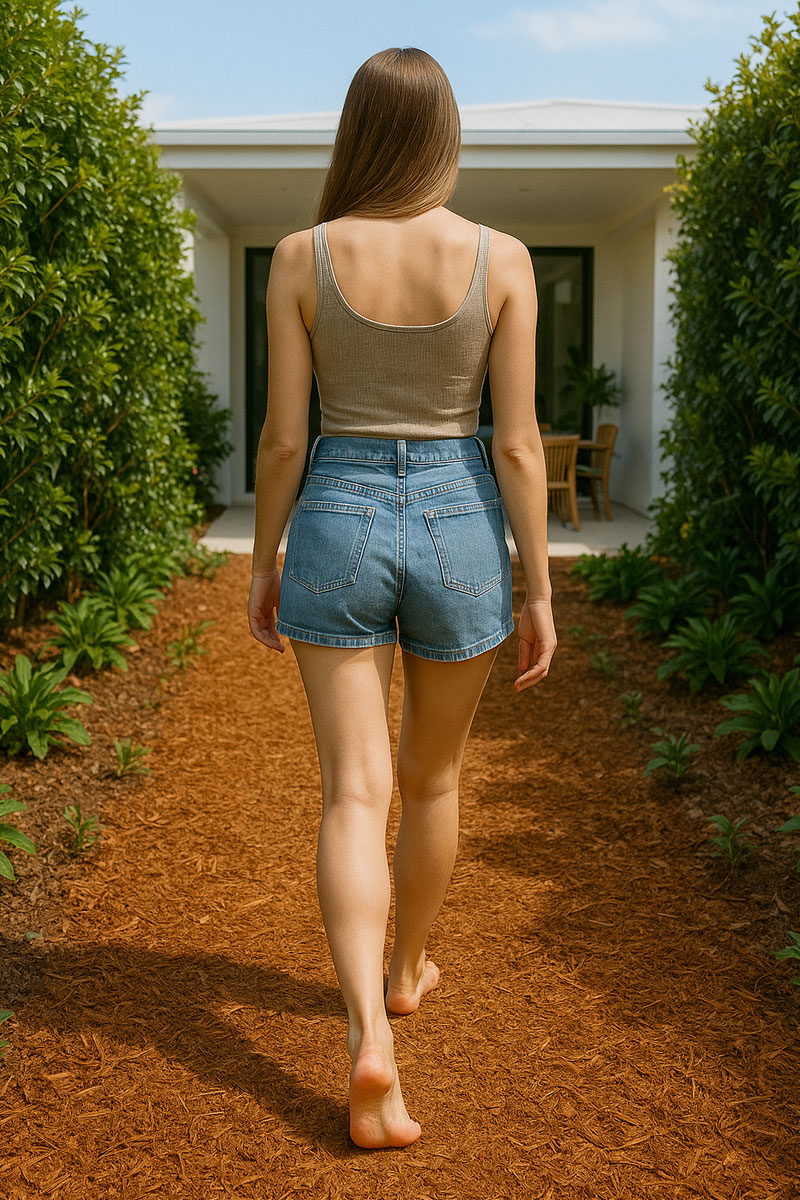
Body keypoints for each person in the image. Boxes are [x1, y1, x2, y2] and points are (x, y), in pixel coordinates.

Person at [247, 46, 557, 1150]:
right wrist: (536, 585)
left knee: (351, 793)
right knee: (431, 781)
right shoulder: (503, 257)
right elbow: (516, 444)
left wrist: (262, 557)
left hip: (334, 509)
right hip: (460, 516)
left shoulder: (299, 256)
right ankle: (406, 970)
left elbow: (284, 436)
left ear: (357, 133)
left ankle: (365, 1037)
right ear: (442, 135)